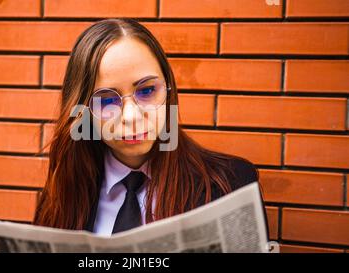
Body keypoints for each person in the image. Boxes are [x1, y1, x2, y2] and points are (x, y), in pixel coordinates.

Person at [33, 18, 267, 237]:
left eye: (146, 91)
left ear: (168, 90)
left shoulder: (230, 184)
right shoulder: (62, 194)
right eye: (106, 100)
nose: (132, 116)